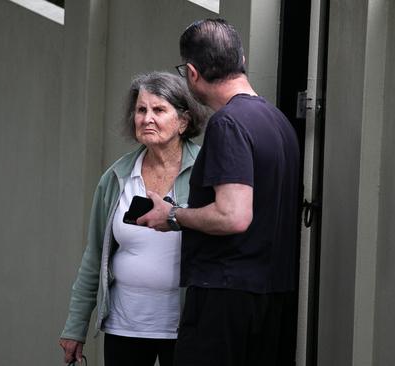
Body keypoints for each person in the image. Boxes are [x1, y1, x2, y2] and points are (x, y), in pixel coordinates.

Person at [138, 18, 301, 365]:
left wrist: (171, 214)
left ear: (192, 73)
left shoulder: (228, 124)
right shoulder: (279, 122)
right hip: (274, 298)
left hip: (226, 300)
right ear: (240, 59)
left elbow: (234, 214)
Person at [59, 71, 208, 366]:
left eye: (158, 109)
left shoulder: (206, 170)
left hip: (187, 327)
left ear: (184, 121)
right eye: (141, 110)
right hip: (124, 325)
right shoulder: (116, 176)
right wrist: (75, 327)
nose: (146, 118)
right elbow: (94, 257)